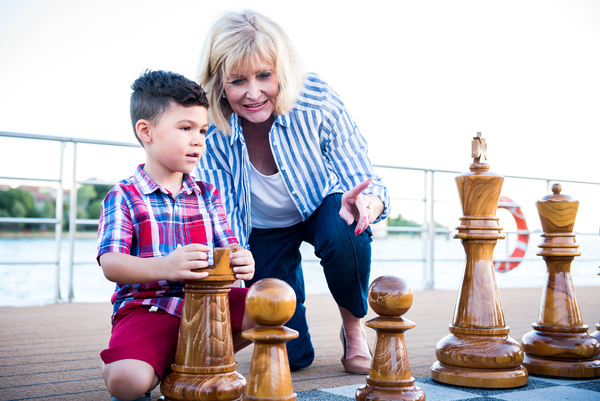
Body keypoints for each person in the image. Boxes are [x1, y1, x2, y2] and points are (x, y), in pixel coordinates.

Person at [193, 10, 390, 374]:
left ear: (281, 69)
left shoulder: (315, 98)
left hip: (320, 205)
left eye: (265, 75)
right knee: (292, 358)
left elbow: (364, 177)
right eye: (238, 81)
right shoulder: (209, 125)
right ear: (219, 81)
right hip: (262, 230)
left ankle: (352, 328)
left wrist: (368, 203)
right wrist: (236, 274)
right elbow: (222, 218)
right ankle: (287, 288)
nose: (254, 93)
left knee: (345, 229)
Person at [97, 70, 255, 401]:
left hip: (208, 305)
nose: (198, 139)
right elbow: (111, 263)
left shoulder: (208, 194)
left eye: (202, 130)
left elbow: (230, 249)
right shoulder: (123, 195)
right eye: (185, 129)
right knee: (126, 382)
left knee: (271, 305)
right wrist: (166, 266)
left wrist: (243, 260)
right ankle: (166, 360)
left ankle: (187, 361)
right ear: (146, 131)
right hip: (147, 308)